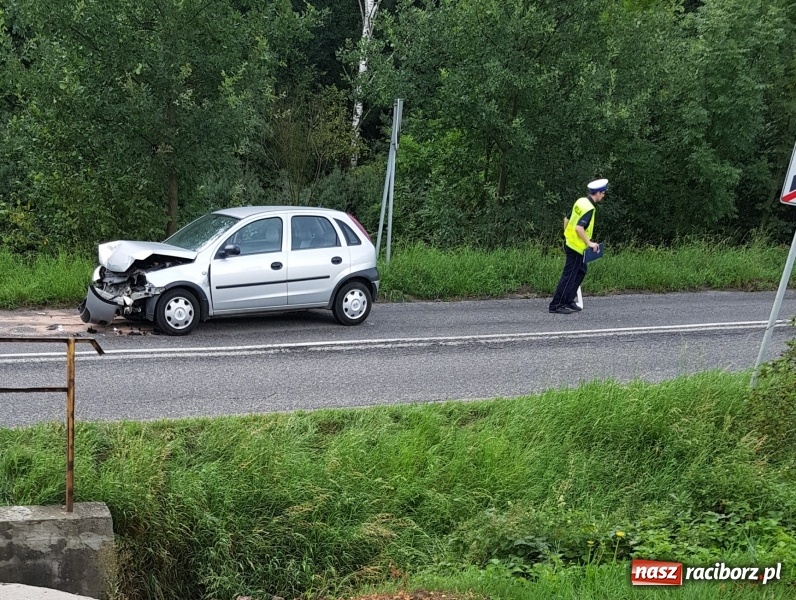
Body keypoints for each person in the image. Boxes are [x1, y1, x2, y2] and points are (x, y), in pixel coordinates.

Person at [548, 178, 608, 314]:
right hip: (576, 247)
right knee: (569, 276)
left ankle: (568, 300)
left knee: (580, 272)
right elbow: (579, 228)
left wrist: (566, 235)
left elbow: (566, 219)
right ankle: (556, 305)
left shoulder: (581, 201)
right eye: (603, 193)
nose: (603, 196)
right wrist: (590, 243)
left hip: (572, 243)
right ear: (597, 193)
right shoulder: (590, 208)